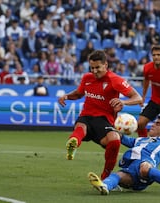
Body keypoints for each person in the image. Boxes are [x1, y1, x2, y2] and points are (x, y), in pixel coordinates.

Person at [58, 50, 143, 180]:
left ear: (106, 65)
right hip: (86, 116)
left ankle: (105, 178)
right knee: (81, 127)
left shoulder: (115, 80)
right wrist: (67, 96)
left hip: (104, 120)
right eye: (92, 68)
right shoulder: (87, 78)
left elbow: (138, 98)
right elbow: (79, 93)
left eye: (97, 67)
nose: (94, 71)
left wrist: (123, 101)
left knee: (114, 141)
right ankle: (73, 144)